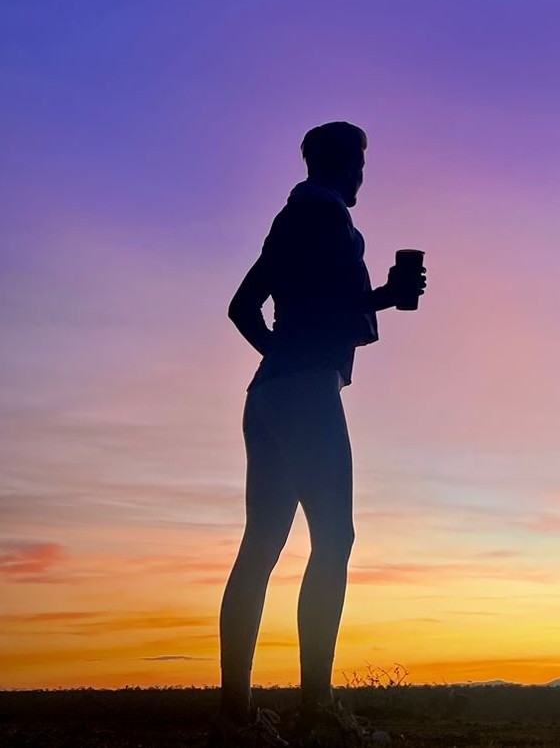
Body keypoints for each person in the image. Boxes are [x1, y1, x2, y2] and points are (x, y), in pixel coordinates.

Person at [208, 121, 426, 747]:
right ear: (338, 163)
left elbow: (243, 307)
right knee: (334, 539)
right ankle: (319, 713)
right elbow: (322, 310)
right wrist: (382, 296)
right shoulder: (325, 217)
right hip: (304, 391)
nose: (363, 174)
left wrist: (282, 355)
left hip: (269, 393)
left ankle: (236, 717)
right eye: (358, 161)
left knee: (262, 547)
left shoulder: (292, 216)